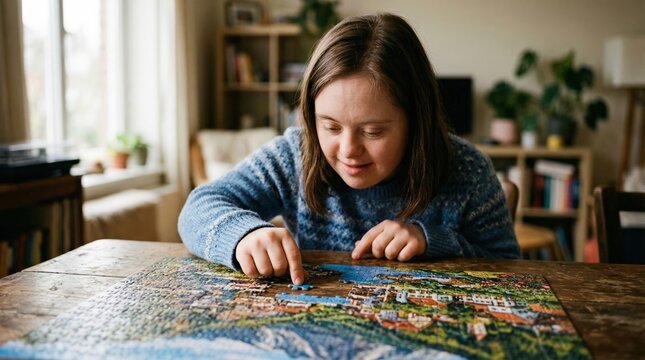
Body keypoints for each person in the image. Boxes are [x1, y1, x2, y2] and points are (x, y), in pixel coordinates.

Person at [178, 13, 519, 286]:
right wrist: (244, 234)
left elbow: (512, 272)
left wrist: (433, 241)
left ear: (417, 121)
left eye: (372, 131)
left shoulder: (468, 170)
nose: (348, 150)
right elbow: (198, 206)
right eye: (330, 126)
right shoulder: (293, 155)